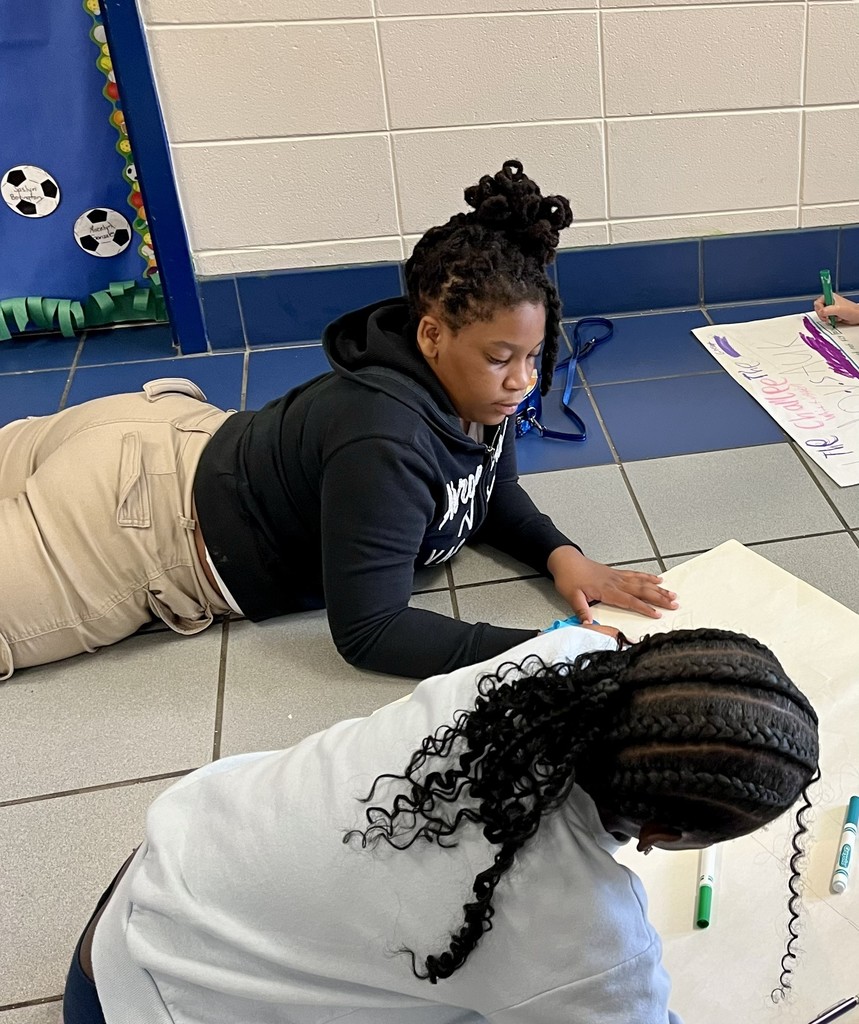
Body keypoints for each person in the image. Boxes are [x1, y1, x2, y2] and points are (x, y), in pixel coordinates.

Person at [0, 160, 677, 683]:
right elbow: (371, 632)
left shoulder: (469, 387)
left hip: (168, 432)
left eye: (532, 355)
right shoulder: (384, 439)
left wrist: (562, 558)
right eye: (502, 358)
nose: (523, 380)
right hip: (133, 526)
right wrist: (549, 651)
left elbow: (488, 488)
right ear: (433, 334)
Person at [61, 625, 819, 1024]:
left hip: (141, 898)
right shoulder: (581, 939)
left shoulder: (558, 662)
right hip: (152, 1011)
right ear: (662, 836)